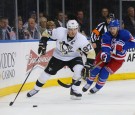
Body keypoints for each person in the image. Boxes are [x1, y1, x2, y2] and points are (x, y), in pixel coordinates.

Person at [26, 20, 96, 100]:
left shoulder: (82, 39)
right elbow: (46, 32)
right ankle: (36, 89)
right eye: (70, 29)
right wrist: (43, 42)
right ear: (67, 29)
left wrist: (88, 65)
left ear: (77, 29)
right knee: (47, 73)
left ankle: (74, 90)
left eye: (74, 29)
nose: (72, 32)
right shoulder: (60, 31)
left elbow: (91, 53)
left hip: (74, 57)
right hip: (58, 56)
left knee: (79, 70)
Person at [82, 19, 135, 94]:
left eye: (114, 28)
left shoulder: (125, 34)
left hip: (117, 59)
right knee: (95, 70)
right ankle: (88, 83)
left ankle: (97, 88)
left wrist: (124, 46)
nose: (112, 30)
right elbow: (105, 47)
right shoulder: (106, 35)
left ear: (118, 28)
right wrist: (105, 54)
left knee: (104, 73)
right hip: (107, 54)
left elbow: (133, 43)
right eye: (111, 28)